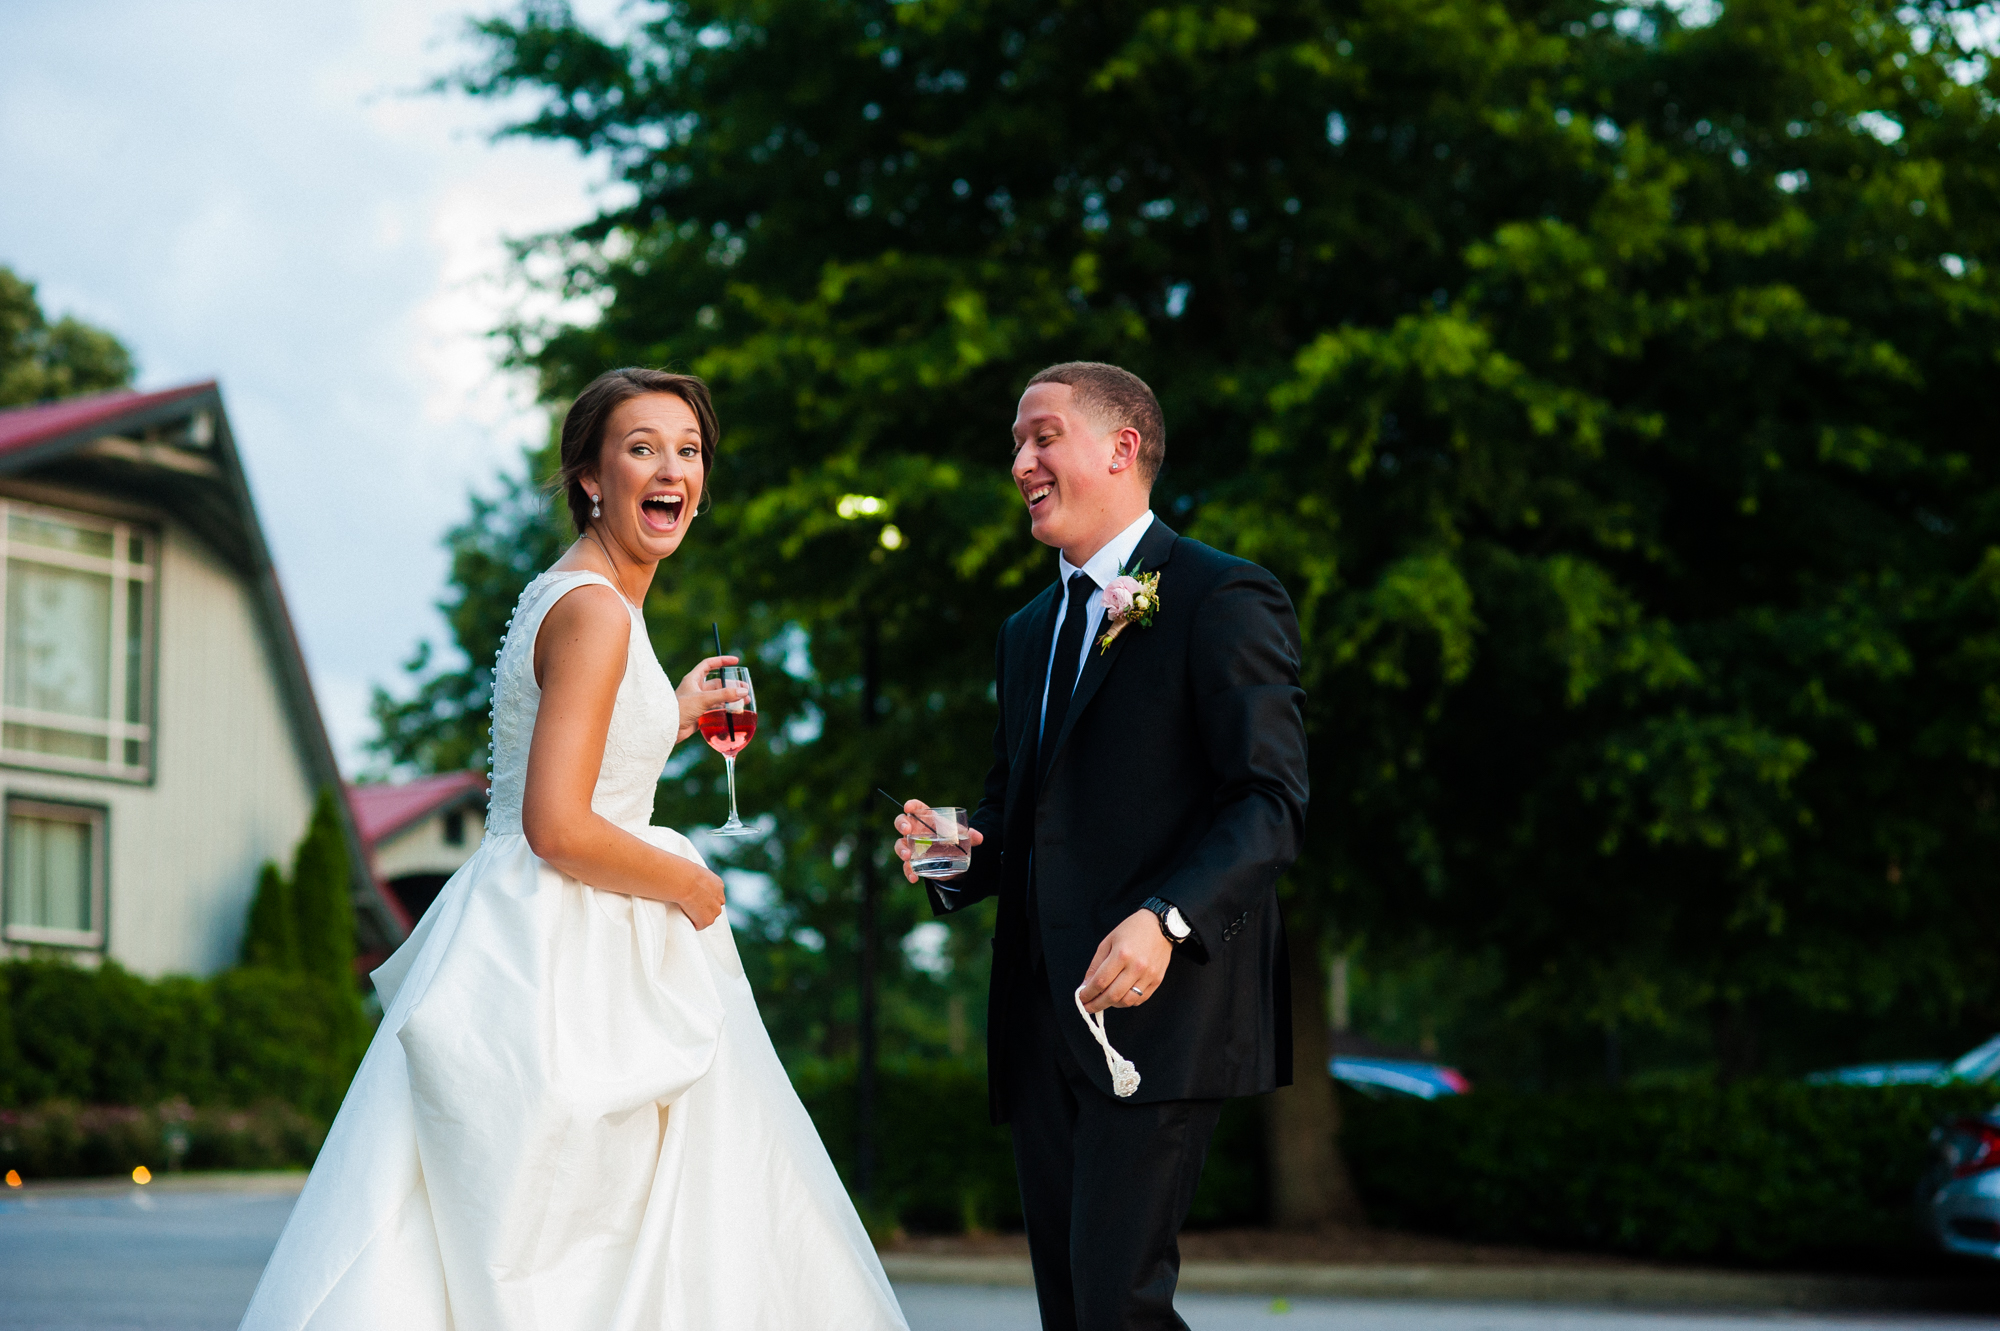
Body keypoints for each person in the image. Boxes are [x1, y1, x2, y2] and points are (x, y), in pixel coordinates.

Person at [242, 369, 906, 1331]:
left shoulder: (584, 597)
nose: (671, 467)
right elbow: (558, 823)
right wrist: (689, 882)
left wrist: (667, 718)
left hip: (531, 923)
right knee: (596, 1245)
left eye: (688, 450)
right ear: (591, 477)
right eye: (642, 447)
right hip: (569, 957)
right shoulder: (596, 611)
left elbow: (571, 769)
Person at [892, 363, 1309, 1331]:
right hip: (1040, 1021)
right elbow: (1019, 815)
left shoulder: (1220, 595)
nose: (1018, 461)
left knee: (1118, 1304)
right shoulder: (1025, 632)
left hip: (1155, 1016)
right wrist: (956, 847)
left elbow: (1270, 799)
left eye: (1041, 437)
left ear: (1121, 449)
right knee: (1072, 1308)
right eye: (1013, 443)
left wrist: (1165, 920)